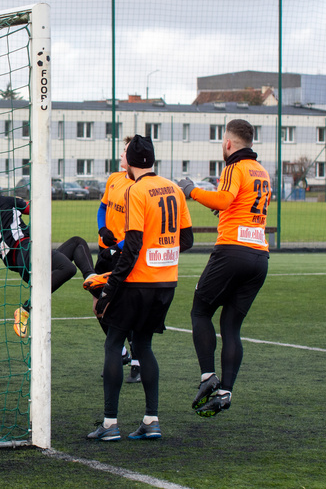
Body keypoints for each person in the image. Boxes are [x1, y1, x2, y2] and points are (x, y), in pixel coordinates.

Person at [87, 134, 193, 442]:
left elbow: (132, 247)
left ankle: (109, 424)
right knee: (144, 346)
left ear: (129, 162)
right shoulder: (173, 188)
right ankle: (151, 420)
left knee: (113, 344)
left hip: (136, 283)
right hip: (166, 284)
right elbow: (186, 240)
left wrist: (109, 288)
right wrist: (158, 252)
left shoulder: (135, 189)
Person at [177, 119, 271, 417]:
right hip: (259, 258)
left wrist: (190, 190)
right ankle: (225, 392)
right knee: (231, 326)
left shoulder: (234, 167)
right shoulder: (262, 171)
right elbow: (236, 204)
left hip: (233, 251)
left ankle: (208, 378)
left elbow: (224, 198)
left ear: (228, 144)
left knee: (200, 311)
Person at [0, 175, 97, 338]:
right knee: (68, 268)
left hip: (22, 265)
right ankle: (25, 309)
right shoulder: (4, 201)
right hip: (26, 250)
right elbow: (34, 209)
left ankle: (94, 283)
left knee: (77, 243)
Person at [96, 136, 141, 383]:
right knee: (97, 304)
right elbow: (102, 208)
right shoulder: (114, 178)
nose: (121, 155)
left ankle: (135, 358)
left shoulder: (139, 187)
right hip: (105, 252)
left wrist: (118, 247)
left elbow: (142, 230)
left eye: (125, 151)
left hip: (124, 255)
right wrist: (103, 229)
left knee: (124, 308)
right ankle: (121, 351)